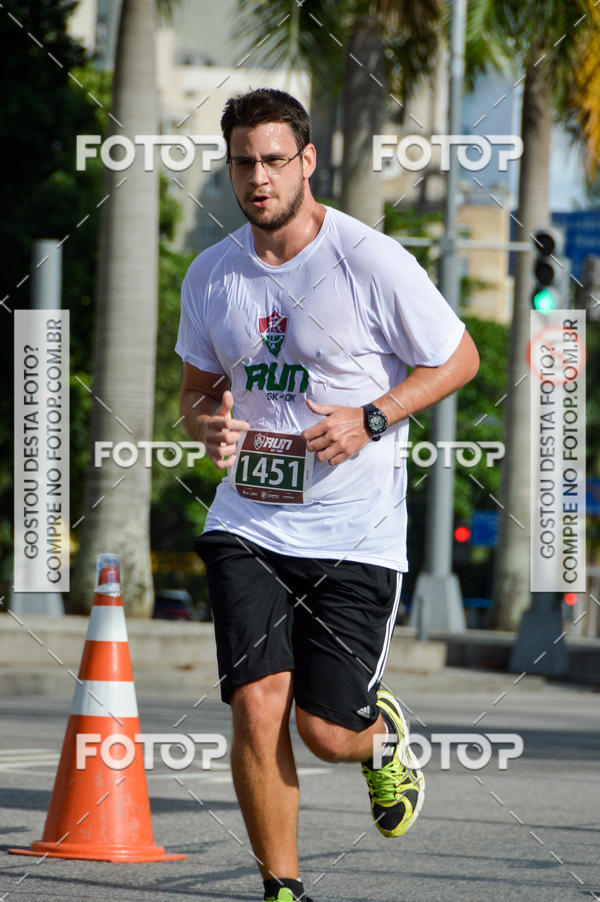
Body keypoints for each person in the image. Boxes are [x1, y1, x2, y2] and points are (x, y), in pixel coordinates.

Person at [176, 87, 479, 902]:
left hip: (355, 535)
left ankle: (381, 744)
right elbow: (199, 390)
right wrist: (208, 426)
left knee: (324, 731)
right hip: (249, 523)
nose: (259, 178)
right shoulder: (212, 273)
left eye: (275, 160)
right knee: (256, 708)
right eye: (244, 162)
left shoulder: (370, 259)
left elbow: (459, 359)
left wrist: (373, 418)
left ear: (307, 161)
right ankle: (282, 889)